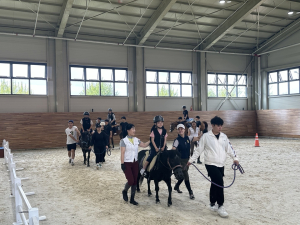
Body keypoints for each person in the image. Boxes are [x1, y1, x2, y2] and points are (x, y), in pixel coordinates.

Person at [187, 116, 239, 218]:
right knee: (220, 182)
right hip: (210, 164)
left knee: (215, 183)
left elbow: (229, 148)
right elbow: (199, 150)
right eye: (218, 126)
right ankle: (220, 205)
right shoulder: (206, 136)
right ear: (213, 125)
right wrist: (191, 160)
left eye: (221, 126)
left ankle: (212, 203)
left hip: (221, 164)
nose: (220, 127)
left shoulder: (224, 136)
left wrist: (235, 158)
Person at [120, 124, 150, 205]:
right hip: (127, 163)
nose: (134, 130)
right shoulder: (123, 141)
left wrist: (151, 140)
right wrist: (122, 163)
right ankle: (125, 191)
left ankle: (132, 199)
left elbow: (144, 145)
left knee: (135, 181)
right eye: (132, 129)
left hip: (135, 163)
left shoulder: (136, 140)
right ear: (128, 130)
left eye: (134, 129)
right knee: (130, 180)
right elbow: (122, 153)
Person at [172, 124, 200, 199]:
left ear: (185, 130)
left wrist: (202, 133)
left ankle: (177, 186)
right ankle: (190, 192)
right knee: (186, 176)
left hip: (187, 160)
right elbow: (173, 149)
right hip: (180, 161)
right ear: (177, 131)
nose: (180, 130)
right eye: (179, 129)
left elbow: (197, 138)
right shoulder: (177, 140)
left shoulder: (188, 138)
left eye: (182, 129)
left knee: (182, 176)